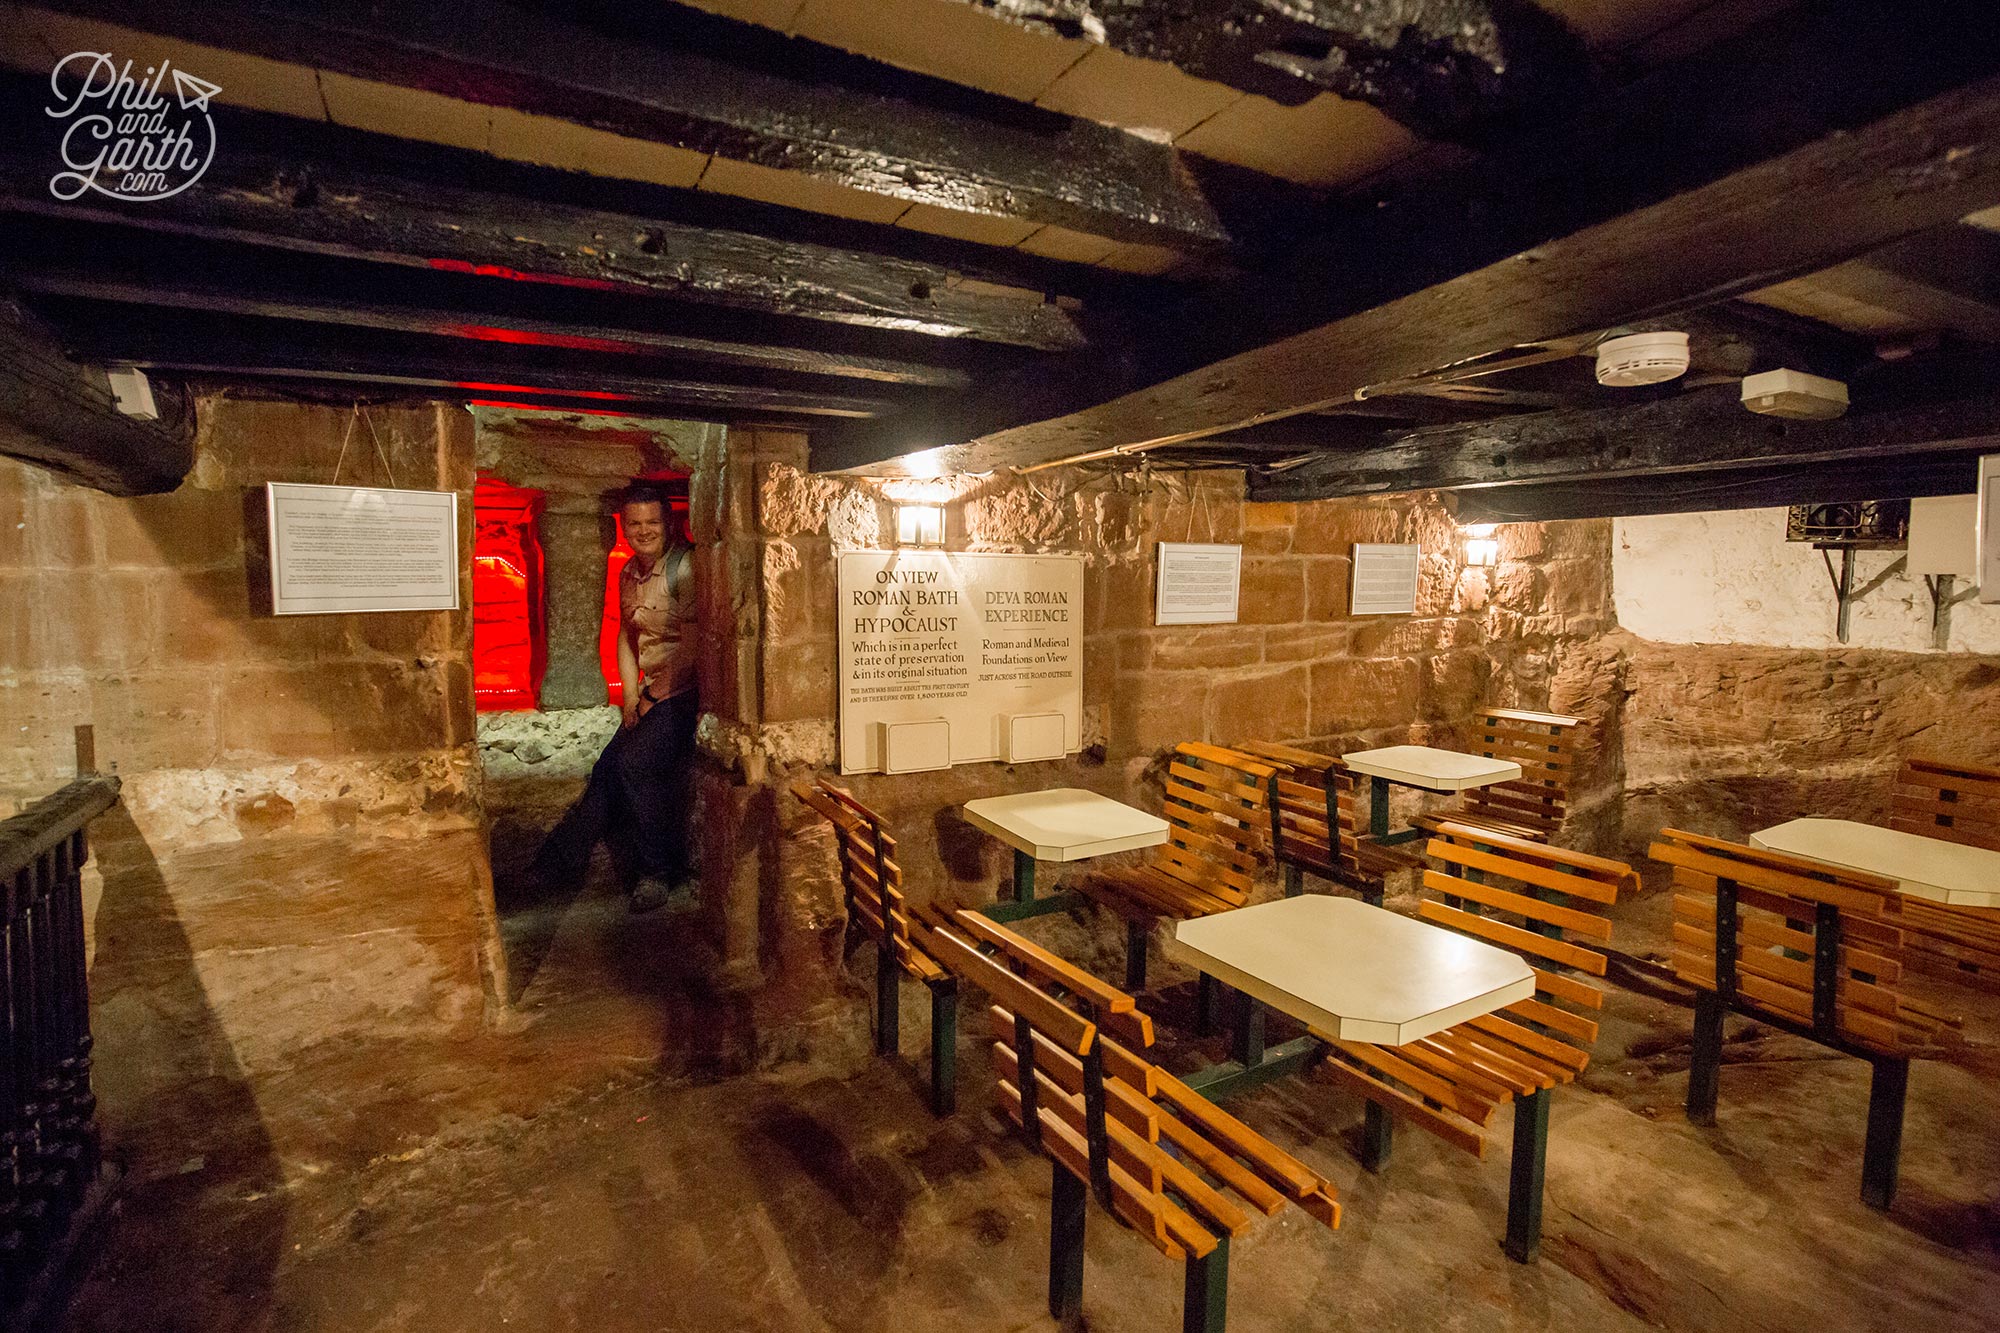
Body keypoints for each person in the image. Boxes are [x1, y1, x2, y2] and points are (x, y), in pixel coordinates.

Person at [533, 484, 699, 912]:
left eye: (652, 522)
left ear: (669, 524)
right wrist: (630, 697)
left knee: (634, 764)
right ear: (624, 528)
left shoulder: (686, 568)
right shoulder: (629, 572)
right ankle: (558, 863)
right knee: (607, 767)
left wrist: (654, 696)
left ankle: (656, 873)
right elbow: (628, 637)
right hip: (650, 693)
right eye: (635, 524)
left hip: (686, 691)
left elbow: (696, 645)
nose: (643, 531)